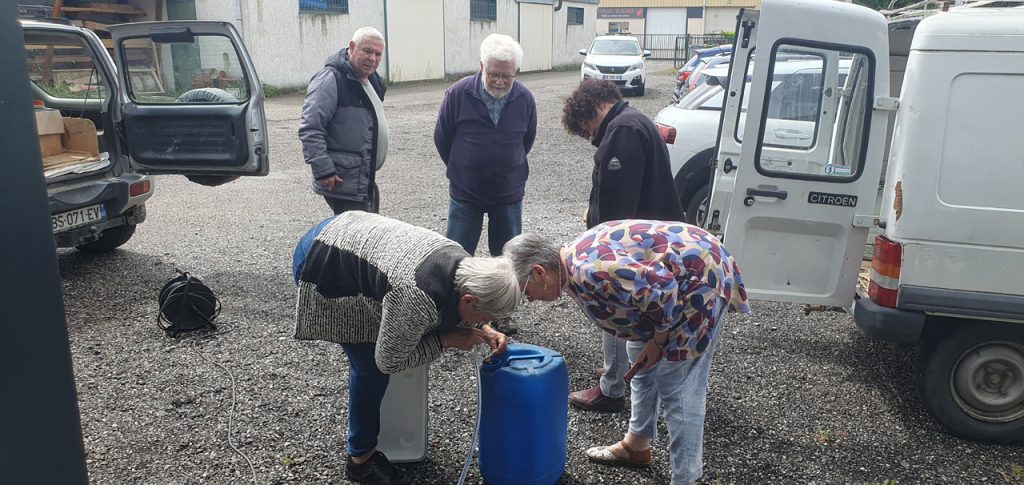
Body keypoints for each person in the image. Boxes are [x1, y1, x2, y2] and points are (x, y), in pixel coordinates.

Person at [503, 222, 750, 485]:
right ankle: (637, 446)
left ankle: (687, 479)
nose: (530, 300)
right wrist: (651, 338)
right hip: (678, 278)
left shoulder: (590, 271)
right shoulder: (571, 264)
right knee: (641, 365)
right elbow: (640, 291)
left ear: (539, 271)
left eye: (526, 291)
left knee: (677, 384)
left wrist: (658, 340)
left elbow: (663, 287)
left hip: (698, 279)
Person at [293, 211, 519, 485]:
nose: (486, 323)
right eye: (485, 317)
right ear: (470, 299)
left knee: (397, 331)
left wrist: (482, 328)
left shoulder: (463, 263)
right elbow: (388, 361)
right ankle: (359, 460)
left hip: (352, 232)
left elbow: (453, 304)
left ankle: (364, 447)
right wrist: (448, 339)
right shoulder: (417, 297)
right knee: (369, 366)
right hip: (324, 260)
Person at [560, 79, 686, 412]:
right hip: (654, 234)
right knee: (635, 313)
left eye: (587, 129)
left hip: (639, 243)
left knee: (615, 306)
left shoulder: (622, 132)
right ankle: (619, 372)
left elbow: (617, 210)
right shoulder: (633, 120)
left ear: (594, 109)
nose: (590, 136)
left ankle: (612, 387)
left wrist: (598, 237)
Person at [434, 33, 537, 257]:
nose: (500, 82)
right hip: (466, 191)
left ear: (515, 72)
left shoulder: (525, 99)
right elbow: (442, 137)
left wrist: (506, 163)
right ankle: (453, 293)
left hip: (508, 192)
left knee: (508, 259)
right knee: (455, 255)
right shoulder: (458, 94)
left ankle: (503, 293)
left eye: (506, 76)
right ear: (482, 66)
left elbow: (526, 140)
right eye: (493, 74)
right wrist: (462, 166)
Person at [299, 26, 389, 215]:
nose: (373, 58)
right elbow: (311, 128)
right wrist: (323, 170)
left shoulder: (369, 79)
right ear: (352, 47)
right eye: (367, 51)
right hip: (342, 181)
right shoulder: (331, 79)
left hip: (362, 176)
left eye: (378, 54)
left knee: (366, 234)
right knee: (354, 238)